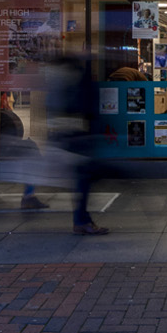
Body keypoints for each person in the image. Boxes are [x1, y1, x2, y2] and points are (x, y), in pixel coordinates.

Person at [44, 52, 111, 235]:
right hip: (76, 140)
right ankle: (81, 220)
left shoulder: (61, 85)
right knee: (83, 180)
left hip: (72, 140)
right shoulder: (72, 84)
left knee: (83, 180)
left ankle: (82, 219)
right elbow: (80, 111)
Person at [0, 91, 48, 210]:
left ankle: (29, 196)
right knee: (32, 156)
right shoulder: (3, 118)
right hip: (6, 148)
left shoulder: (3, 115)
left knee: (32, 152)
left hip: (7, 144)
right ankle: (28, 196)